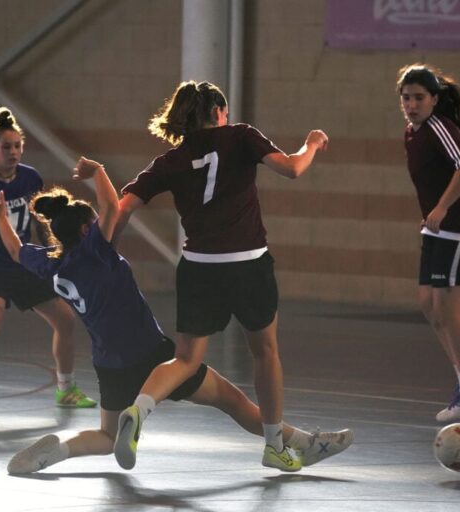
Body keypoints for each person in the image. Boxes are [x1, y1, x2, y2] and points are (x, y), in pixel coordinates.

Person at [0, 158, 352, 474]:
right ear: (86, 229)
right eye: (95, 223)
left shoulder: (52, 264)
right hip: (152, 355)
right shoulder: (96, 251)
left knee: (107, 438)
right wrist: (98, 172)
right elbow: (111, 206)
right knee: (234, 402)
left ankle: (59, 448)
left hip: (109, 364)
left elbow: (15, 251)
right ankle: (308, 443)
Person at [111, 80, 330, 472]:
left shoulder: (171, 160)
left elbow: (124, 206)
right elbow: (293, 169)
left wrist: (105, 247)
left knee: (186, 360)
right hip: (248, 264)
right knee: (265, 352)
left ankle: (140, 410)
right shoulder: (241, 137)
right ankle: (274, 445)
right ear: (218, 113)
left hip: (199, 269)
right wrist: (311, 144)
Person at [0, 107, 96, 413]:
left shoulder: (30, 178)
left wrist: (55, 254)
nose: (13, 152)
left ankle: (66, 390)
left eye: (17, 146)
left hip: (23, 261)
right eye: (6, 147)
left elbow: (41, 225)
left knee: (66, 320)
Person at [396, 64, 460, 422]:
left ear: (434, 99)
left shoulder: (439, 128)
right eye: (406, 98)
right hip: (436, 232)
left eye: (419, 97)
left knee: (449, 311)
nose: (412, 104)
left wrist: (441, 206)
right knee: (428, 305)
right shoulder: (411, 132)